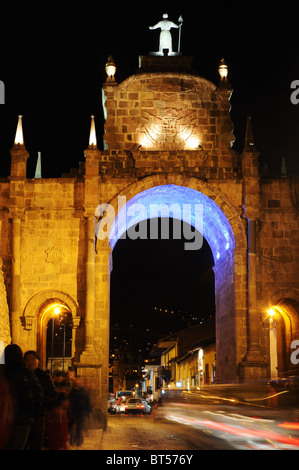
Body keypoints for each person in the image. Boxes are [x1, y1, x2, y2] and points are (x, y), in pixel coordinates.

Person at [3, 344, 43, 450]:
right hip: (23, 418)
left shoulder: (2, 373)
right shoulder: (26, 373)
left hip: (4, 417)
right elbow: (38, 394)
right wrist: (34, 412)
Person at [24, 350, 57, 450]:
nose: (31, 362)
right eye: (28, 360)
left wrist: (43, 407)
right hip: (24, 416)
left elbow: (53, 395)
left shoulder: (45, 377)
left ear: (38, 361)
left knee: (37, 442)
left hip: (39, 416)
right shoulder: (23, 375)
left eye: (33, 359)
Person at [69, 377, 91, 446]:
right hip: (74, 410)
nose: (77, 381)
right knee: (73, 426)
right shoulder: (72, 390)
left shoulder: (83, 390)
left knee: (79, 426)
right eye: (76, 380)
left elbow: (87, 400)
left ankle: (79, 440)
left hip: (81, 410)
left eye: (78, 380)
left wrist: (88, 410)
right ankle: (73, 439)